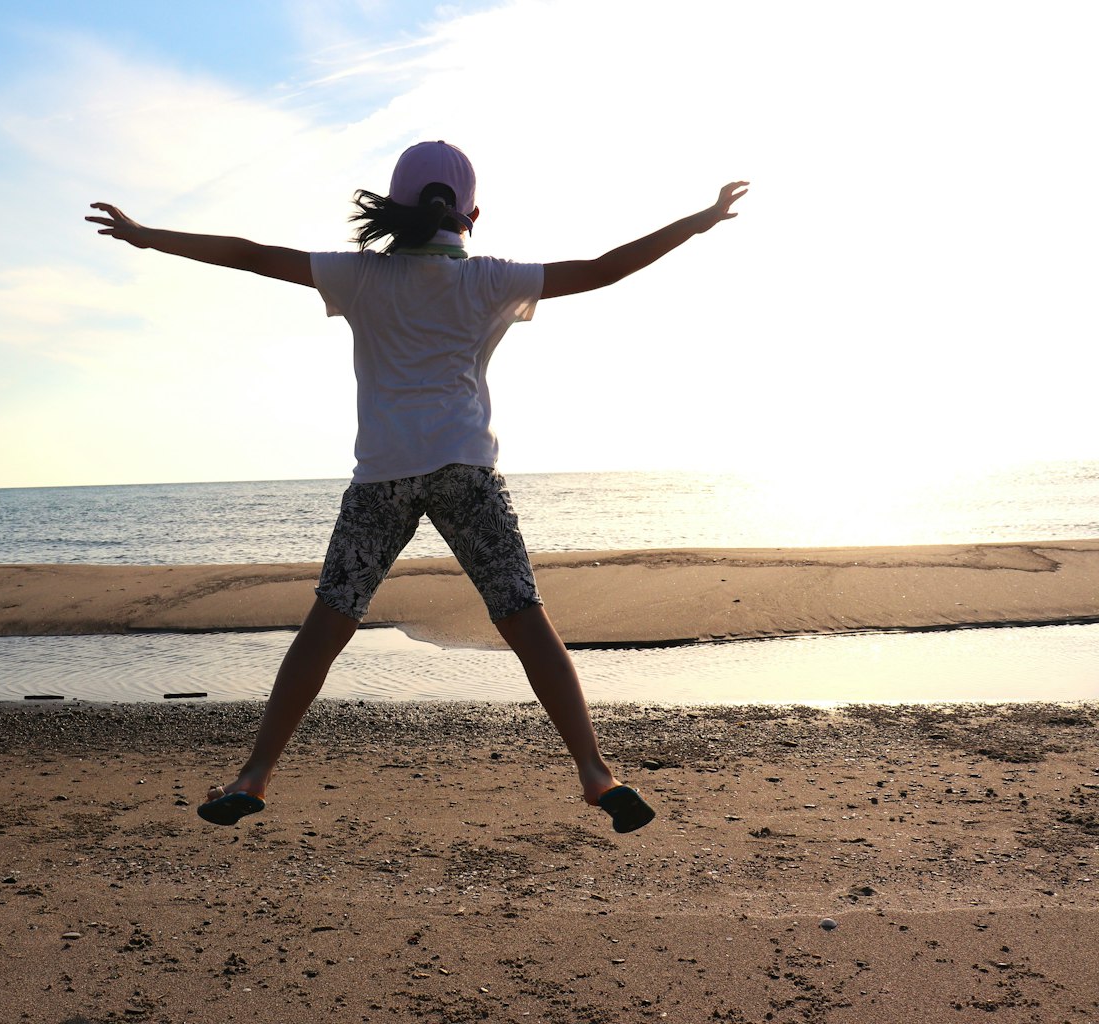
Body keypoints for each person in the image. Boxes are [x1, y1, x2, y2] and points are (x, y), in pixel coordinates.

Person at [88, 141, 746, 834]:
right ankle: (594, 773)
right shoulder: (493, 279)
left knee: (327, 626)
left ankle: (256, 775)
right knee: (524, 619)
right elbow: (604, 269)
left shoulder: (360, 277)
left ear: (400, 207)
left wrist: (145, 236)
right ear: (473, 214)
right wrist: (698, 221)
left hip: (383, 476)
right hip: (465, 470)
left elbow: (250, 252)